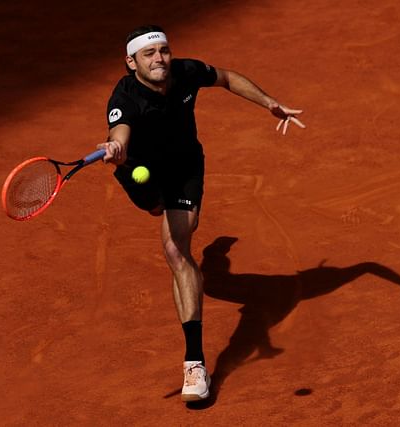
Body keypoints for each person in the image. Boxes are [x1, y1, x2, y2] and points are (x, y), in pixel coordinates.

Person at [96, 24, 305, 402]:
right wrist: (115, 149)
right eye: (149, 54)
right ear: (131, 62)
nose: (160, 58)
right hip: (139, 170)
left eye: (164, 50)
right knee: (155, 208)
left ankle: (195, 364)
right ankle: (183, 227)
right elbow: (120, 134)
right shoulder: (124, 97)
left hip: (183, 167)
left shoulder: (186, 72)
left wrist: (269, 102)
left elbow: (225, 78)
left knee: (177, 248)